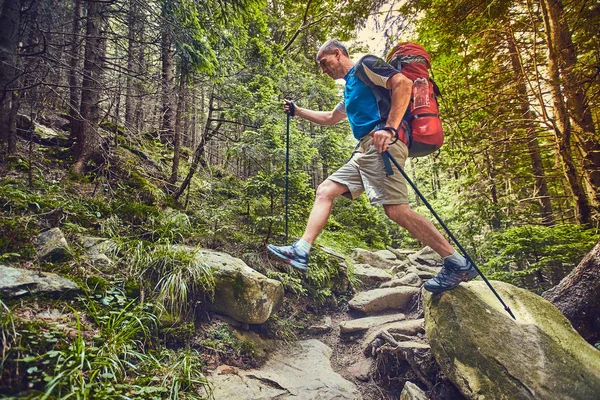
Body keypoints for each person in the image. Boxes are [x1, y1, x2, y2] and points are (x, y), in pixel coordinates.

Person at [267, 40, 477, 293]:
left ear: (338, 54)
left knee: (396, 210)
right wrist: (298, 111)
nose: (323, 69)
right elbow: (331, 118)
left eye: (325, 63)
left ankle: (456, 262)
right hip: (365, 150)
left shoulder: (366, 64)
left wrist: (389, 127)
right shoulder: (350, 88)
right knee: (326, 190)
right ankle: (301, 250)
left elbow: (404, 84)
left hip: (384, 144)